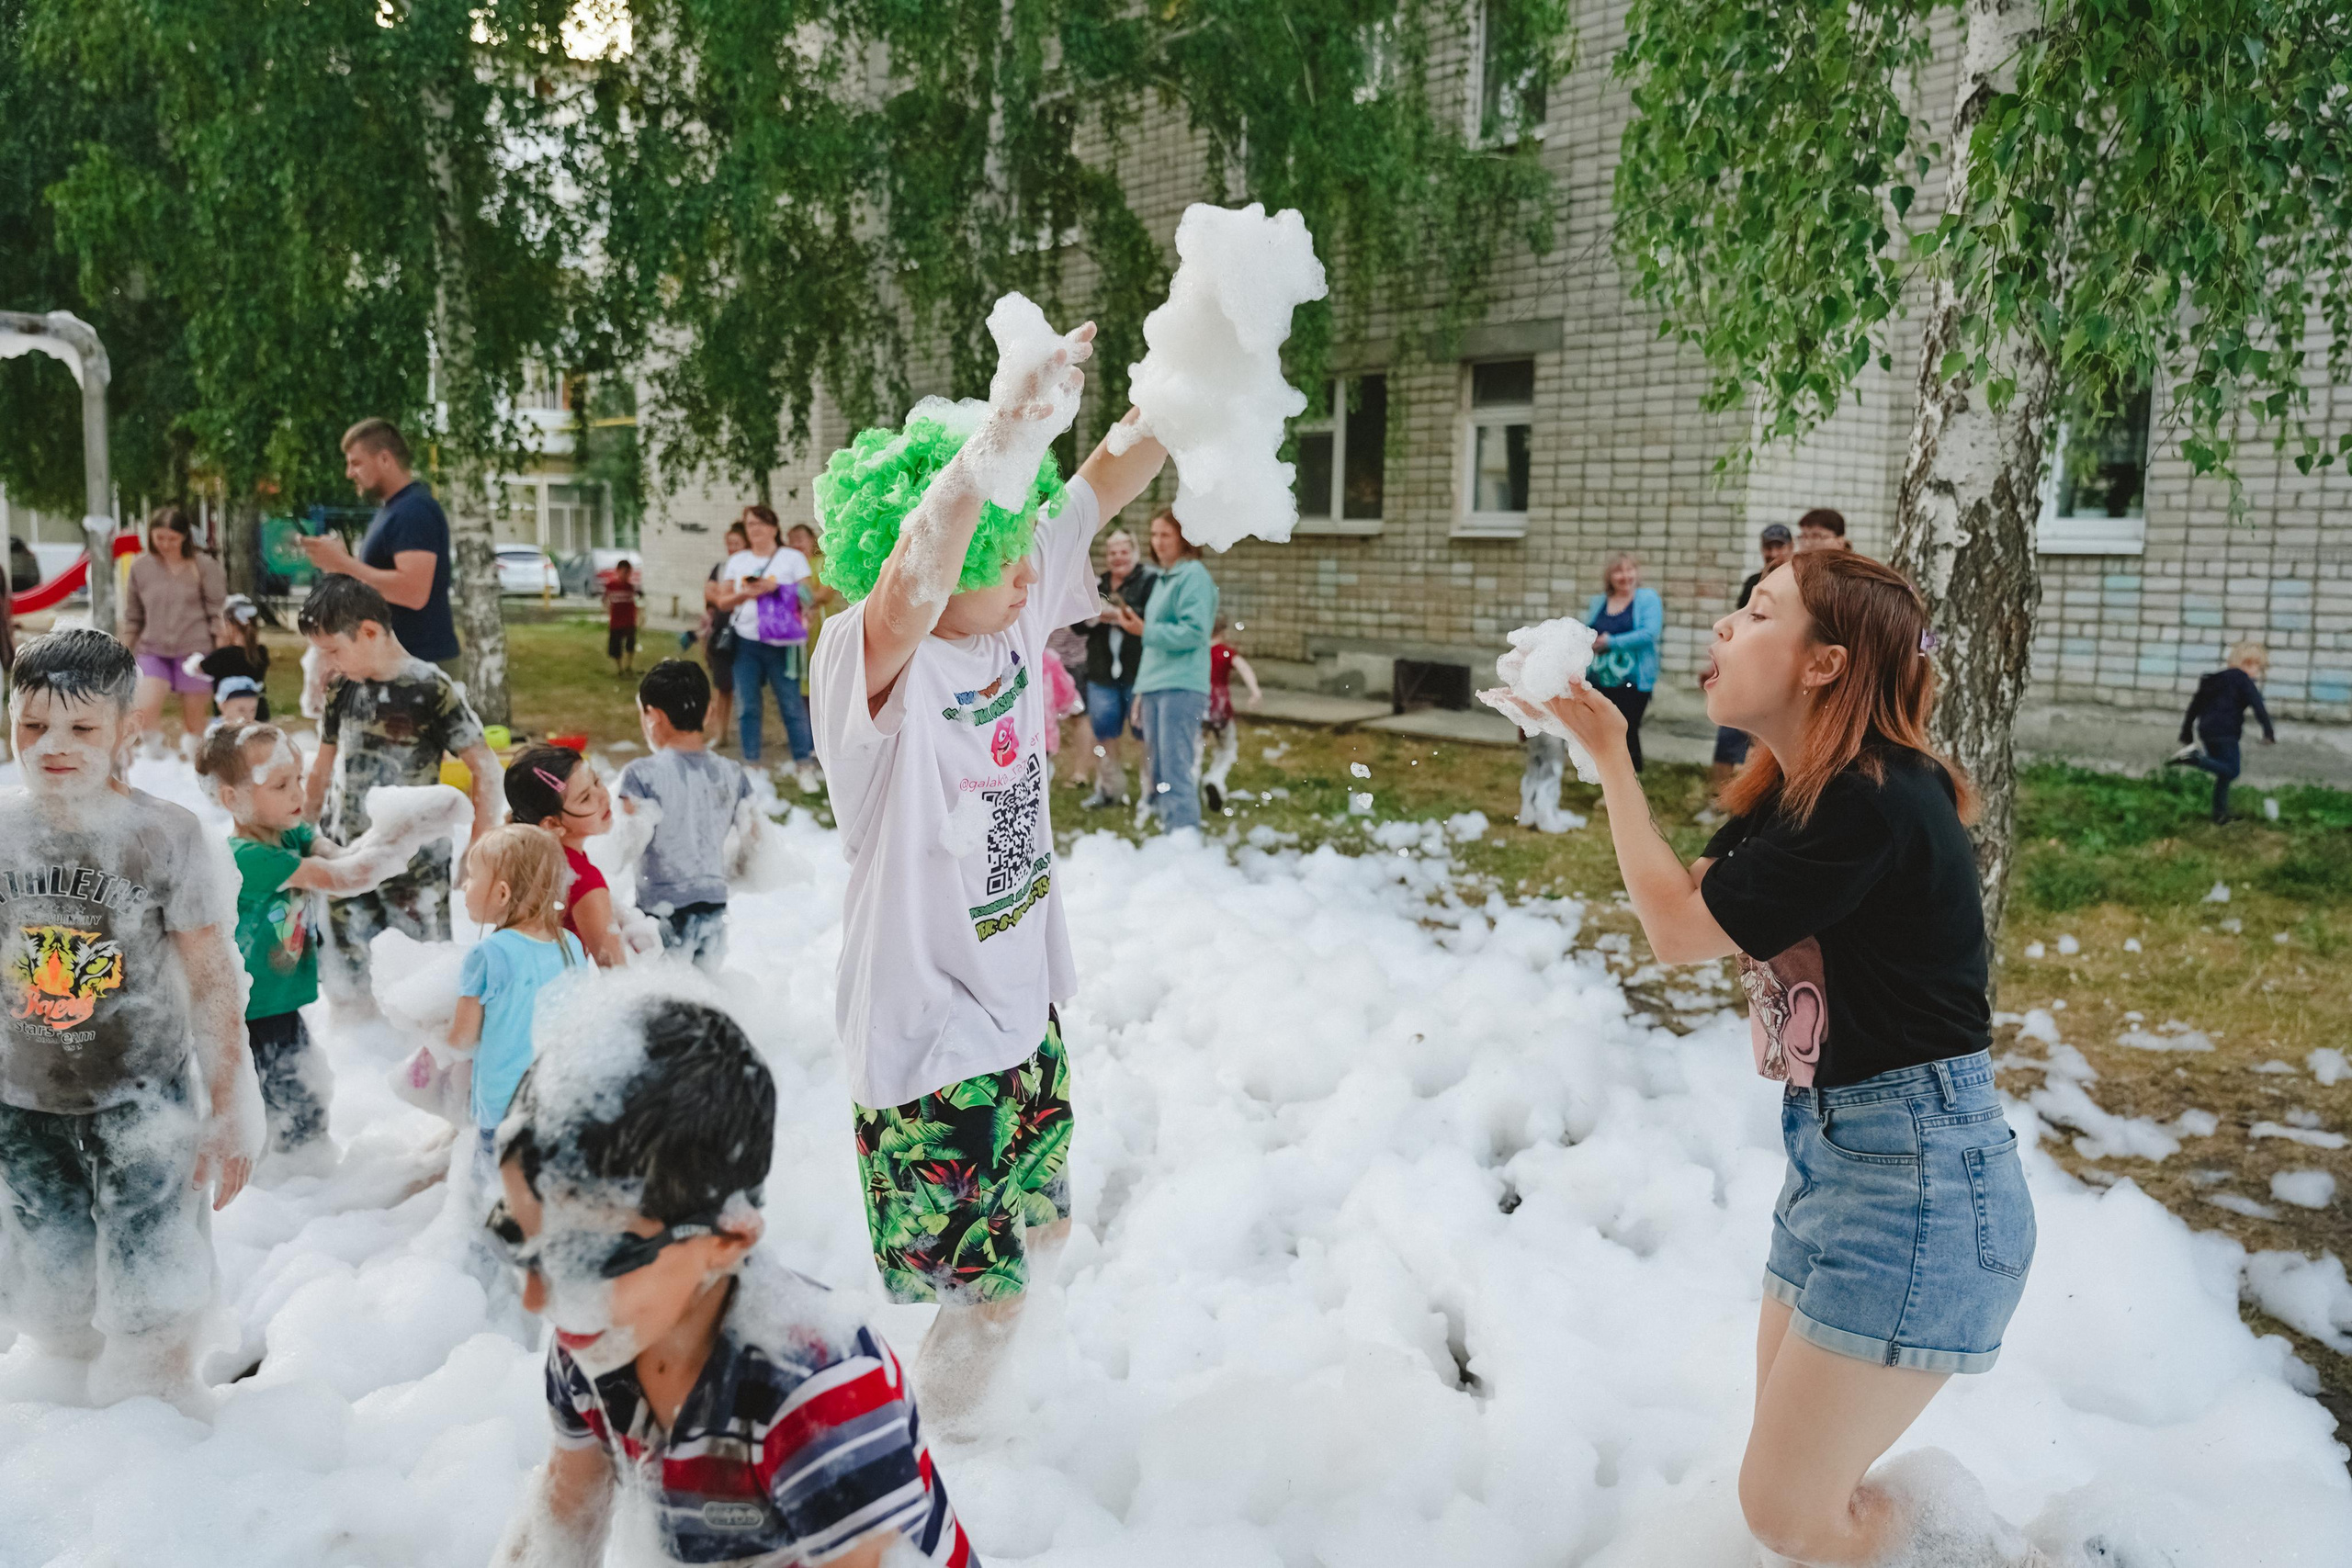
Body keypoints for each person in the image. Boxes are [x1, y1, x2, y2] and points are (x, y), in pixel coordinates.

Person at [1504, 549, 2033, 1568]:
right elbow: (1689, 892)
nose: (1723, 628)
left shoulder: (1870, 799)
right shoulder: (1798, 791)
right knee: (1795, 1496)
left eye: (1756, 613)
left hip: (1918, 1182)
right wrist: (1596, 743)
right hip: (1840, 1164)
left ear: (1823, 665)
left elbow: (1673, 929)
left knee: (1786, 1512)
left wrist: (1614, 762)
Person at [809, 321, 1170, 1427]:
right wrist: (986, 452)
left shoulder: (1010, 617)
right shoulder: (869, 672)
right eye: (997, 555)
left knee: (1046, 1236)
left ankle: (998, 1426)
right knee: (988, 1299)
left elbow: (1111, 472)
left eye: (1021, 550)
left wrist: (1198, 361)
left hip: (1021, 1014)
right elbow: (918, 576)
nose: (1027, 573)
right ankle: (941, 1464)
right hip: (927, 1040)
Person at [486, 991, 973, 1568]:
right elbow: (570, 1506)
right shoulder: (591, 1341)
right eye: (517, 1238)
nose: (540, 1297)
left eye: (585, 1258)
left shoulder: (820, 1393)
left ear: (727, 1240)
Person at [0, 628, 256, 1412]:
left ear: (124, 731)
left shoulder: (166, 837)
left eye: (80, 728)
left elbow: (213, 983)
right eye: (31, 725)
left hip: (143, 1105)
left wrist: (228, 1108)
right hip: (24, 1107)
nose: (53, 747)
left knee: (155, 1292)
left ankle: (156, 1415)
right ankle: (73, 1416)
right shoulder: (3, 835)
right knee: (55, 1292)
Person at [300, 574, 501, 1004]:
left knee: (423, 986)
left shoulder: (432, 688)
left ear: (370, 631)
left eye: (334, 650)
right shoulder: (342, 687)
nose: (329, 663)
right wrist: (299, 833)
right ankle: (360, 1061)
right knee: (348, 990)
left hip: (416, 867)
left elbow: (485, 768)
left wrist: (478, 845)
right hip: (346, 857)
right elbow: (322, 768)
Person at [198, 721, 379, 1169]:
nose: (298, 792)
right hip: (251, 1011)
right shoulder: (249, 857)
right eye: (281, 784)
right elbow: (343, 877)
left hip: (278, 1001)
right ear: (232, 799)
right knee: (285, 1102)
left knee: (296, 1097)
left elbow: (324, 849)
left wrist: (338, 851)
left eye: (297, 779)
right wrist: (394, 843)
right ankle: (288, 1182)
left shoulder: (286, 834)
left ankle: (299, 1175)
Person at [447, 824, 585, 1183]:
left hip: (504, 1107)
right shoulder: (571, 943)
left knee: (492, 1206)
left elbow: (461, 1039)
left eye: (472, 877)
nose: (465, 885)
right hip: (558, 1100)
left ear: (502, 893)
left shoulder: (488, 953)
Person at [616, 660, 752, 971]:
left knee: (663, 1002)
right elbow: (754, 843)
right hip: (714, 907)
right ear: (709, 711)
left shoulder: (642, 775)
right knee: (703, 993)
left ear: (654, 717)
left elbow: (624, 843)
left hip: (659, 909)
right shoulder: (732, 773)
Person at [298, 419, 461, 671]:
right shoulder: (393, 510)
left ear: (385, 459)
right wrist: (340, 564)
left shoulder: (413, 511)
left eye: (356, 463)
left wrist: (343, 563)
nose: (349, 473)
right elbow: (375, 587)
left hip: (419, 666)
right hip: (397, 664)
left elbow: (413, 592)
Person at [715, 504, 820, 791]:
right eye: (750, 525)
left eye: (760, 524)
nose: (755, 530)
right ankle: (751, 764)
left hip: (782, 643)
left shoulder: (792, 558)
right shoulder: (738, 561)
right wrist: (744, 593)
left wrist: (780, 590)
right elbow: (722, 602)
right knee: (747, 705)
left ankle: (804, 765)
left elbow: (807, 595)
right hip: (746, 642)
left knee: (791, 703)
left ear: (774, 527)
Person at [1126, 510, 1217, 831]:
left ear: (1184, 537)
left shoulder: (1194, 576)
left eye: (1165, 534)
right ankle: (1170, 834)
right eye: (1154, 534)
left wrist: (1144, 631)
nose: (1158, 542)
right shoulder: (1165, 578)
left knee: (1175, 766)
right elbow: (1151, 641)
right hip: (1155, 684)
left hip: (1181, 685)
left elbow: (1195, 632)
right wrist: (1140, 690)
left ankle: (1185, 838)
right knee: (1159, 768)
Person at [121, 504, 228, 760]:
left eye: (172, 538)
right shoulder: (140, 567)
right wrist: (122, 649)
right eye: (160, 538)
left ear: (184, 537)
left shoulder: (203, 566)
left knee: (194, 723)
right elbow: (133, 616)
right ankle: (154, 760)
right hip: (152, 650)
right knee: (143, 710)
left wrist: (223, 652)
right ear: (150, 536)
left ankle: (194, 764)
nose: (166, 544)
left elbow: (218, 612)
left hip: (195, 652)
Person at [504, 745, 625, 967]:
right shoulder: (583, 881)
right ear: (551, 824)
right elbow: (617, 973)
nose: (602, 796)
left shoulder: (521, 855)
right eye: (585, 798)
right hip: (559, 996)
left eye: (596, 781)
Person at [1711, 523, 1793, 795]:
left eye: (1779, 546)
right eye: (1768, 546)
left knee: (1766, 748)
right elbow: (1738, 628)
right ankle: (1718, 801)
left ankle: (1756, 800)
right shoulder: (1752, 583)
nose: (1773, 552)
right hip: (1745, 672)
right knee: (1727, 736)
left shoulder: (1797, 587)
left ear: (1791, 548)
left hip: (1779, 676)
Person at [1078, 527, 1155, 809]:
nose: (1118, 557)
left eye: (1124, 551)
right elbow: (1078, 623)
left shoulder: (1150, 581)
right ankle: (1109, 790)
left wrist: (1117, 613)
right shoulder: (1098, 584)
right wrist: (1096, 616)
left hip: (1140, 674)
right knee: (1104, 732)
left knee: (1145, 734)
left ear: (1134, 552)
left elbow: (1152, 616)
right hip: (1101, 673)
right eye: (1112, 553)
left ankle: (1151, 794)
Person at [2170, 641, 2276, 824]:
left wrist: (2186, 731)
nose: (2257, 675)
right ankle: (2194, 758)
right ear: (2249, 663)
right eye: (2259, 669)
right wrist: (2268, 731)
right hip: (2226, 731)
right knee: (2232, 771)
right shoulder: (2243, 680)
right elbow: (2258, 706)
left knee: (2223, 773)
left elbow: (2194, 706)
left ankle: (2219, 815)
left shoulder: (2212, 680)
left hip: (2207, 730)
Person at [1583, 552, 1664, 772]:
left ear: (1637, 573)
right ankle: (1608, 782)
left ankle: (1633, 782)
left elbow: (1649, 634)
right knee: (1603, 732)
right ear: (1609, 576)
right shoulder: (1599, 601)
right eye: (1618, 571)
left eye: (1630, 569)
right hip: (1599, 679)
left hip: (1633, 681)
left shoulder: (1647, 598)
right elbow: (1586, 631)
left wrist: (1611, 641)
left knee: (1626, 730)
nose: (1625, 576)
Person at [1199, 615, 1261, 813]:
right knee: (1227, 748)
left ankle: (1190, 785)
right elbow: (1244, 668)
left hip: (1199, 708)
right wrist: (1255, 691)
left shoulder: (1197, 653)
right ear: (1223, 631)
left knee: (1194, 750)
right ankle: (1215, 778)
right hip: (1220, 710)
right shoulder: (1225, 652)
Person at [698, 521, 750, 748]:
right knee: (722, 686)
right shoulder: (721, 568)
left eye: (736, 543)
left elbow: (729, 595)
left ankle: (748, 734)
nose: (731, 548)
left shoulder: (753, 568)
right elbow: (710, 597)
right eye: (729, 543)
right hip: (721, 633)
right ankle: (720, 734)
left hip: (746, 633)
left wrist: (723, 593)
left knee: (746, 688)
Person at [787, 522, 846, 704]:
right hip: (798, 630)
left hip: (820, 625)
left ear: (812, 540)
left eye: (800, 540)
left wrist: (796, 591)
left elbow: (823, 594)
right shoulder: (790, 567)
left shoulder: (823, 563)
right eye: (792, 541)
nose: (796, 545)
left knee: (822, 671)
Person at [198, 593, 271, 720]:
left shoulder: (222, 655)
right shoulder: (260, 653)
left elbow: (200, 668)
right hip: (257, 713)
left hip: (230, 714)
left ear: (228, 624)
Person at [600, 558, 639, 677]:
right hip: (616, 621)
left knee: (630, 644)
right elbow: (605, 600)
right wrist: (607, 610)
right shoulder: (611, 586)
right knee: (616, 646)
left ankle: (628, 666)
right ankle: (620, 668)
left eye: (629, 572)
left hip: (629, 621)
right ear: (618, 571)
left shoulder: (630, 587)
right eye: (624, 572)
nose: (627, 575)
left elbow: (635, 603)